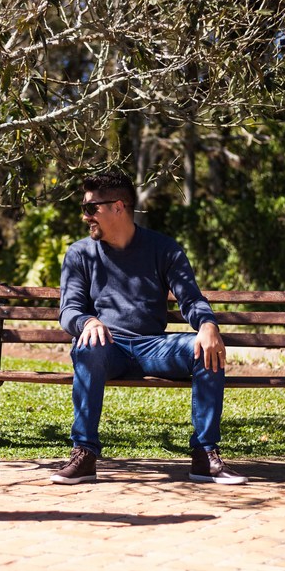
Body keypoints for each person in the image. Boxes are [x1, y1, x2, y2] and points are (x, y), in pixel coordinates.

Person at [54, 170, 246, 485]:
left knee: (206, 348)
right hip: (108, 348)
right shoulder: (80, 253)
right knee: (87, 346)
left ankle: (204, 455)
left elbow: (191, 299)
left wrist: (208, 325)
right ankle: (84, 453)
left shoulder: (163, 248)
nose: (84, 215)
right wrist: (87, 321)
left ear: (118, 207)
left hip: (154, 347)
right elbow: (69, 309)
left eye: (91, 208)